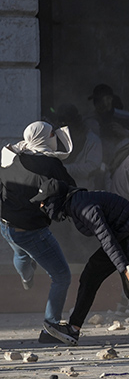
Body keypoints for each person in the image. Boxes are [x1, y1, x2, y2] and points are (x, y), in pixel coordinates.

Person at [30, 179, 129, 345]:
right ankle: (73, 329)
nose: (42, 206)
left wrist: (125, 268)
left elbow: (107, 239)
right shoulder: (75, 204)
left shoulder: (83, 207)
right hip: (124, 236)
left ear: (56, 199)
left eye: (45, 202)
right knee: (90, 276)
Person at [0, 121, 75, 343]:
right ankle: (50, 328)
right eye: (52, 134)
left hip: (6, 225)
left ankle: (26, 276)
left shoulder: (12, 155)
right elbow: (69, 187)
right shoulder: (49, 164)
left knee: (21, 252)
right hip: (32, 231)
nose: (54, 137)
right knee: (61, 276)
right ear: (44, 138)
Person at [52, 104, 104, 190]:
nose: (64, 127)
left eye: (67, 122)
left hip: (83, 191)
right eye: (61, 123)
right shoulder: (56, 139)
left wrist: (64, 168)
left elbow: (92, 168)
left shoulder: (92, 140)